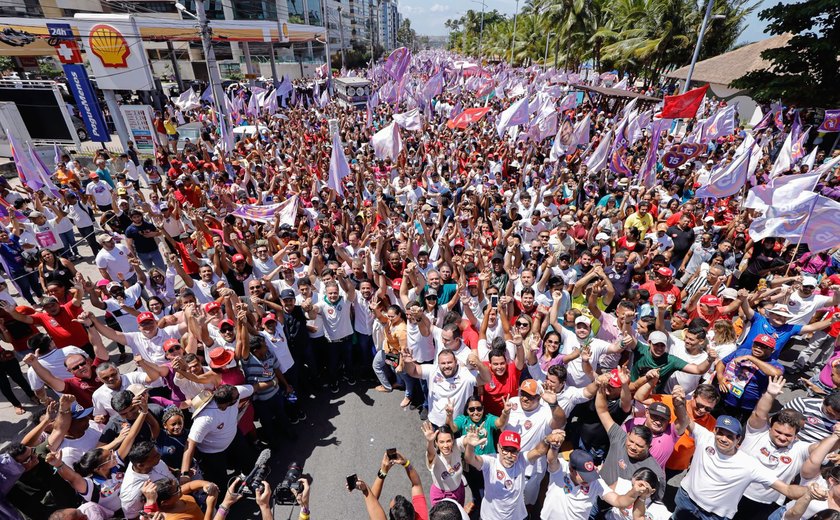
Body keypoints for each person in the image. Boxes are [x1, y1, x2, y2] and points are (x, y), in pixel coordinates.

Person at [462, 428, 564, 520]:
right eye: (505, 450)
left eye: (513, 451)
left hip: (517, 516)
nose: (509, 455)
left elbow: (538, 451)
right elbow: (470, 459)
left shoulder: (521, 459)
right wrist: (470, 446)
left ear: (518, 451)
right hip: (491, 517)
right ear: (498, 447)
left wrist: (547, 439)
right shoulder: (490, 461)